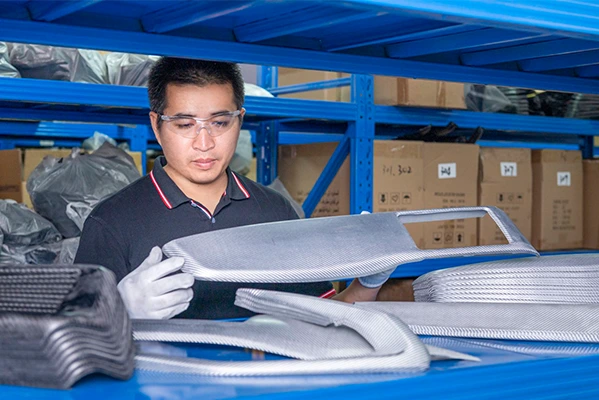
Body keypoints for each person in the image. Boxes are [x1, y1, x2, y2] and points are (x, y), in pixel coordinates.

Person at [74, 57, 391, 320]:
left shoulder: (277, 212)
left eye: (220, 123)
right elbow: (70, 339)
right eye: (184, 124)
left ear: (240, 120)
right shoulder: (112, 222)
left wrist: (368, 282)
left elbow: (325, 317)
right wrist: (117, 311)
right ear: (156, 125)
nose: (204, 143)